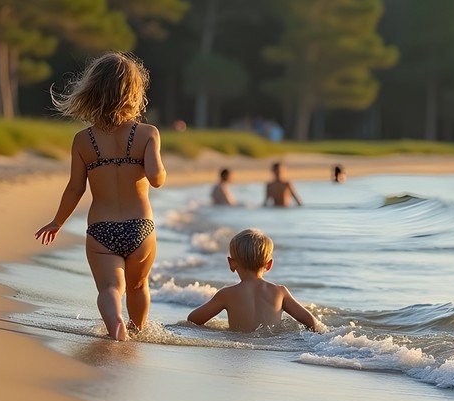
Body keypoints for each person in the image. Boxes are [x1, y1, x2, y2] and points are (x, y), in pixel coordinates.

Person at [35, 51, 167, 341]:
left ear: (92, 91)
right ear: (135, 93)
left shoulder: (83, 140)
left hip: (100, 229)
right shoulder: (148, 134)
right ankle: (136, 331)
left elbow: (75, 188)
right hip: (140, 228)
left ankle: (115, 323)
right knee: (138, 286)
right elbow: (157, 180)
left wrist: (57, 221)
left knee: (110, 288)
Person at [187, 229, 320, 333]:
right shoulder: (280, 292)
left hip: (238, 344)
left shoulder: (226, 294)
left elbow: (193, 320)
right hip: (273, 347)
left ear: (231, 263)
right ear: (269, 265)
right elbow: (313, 323)